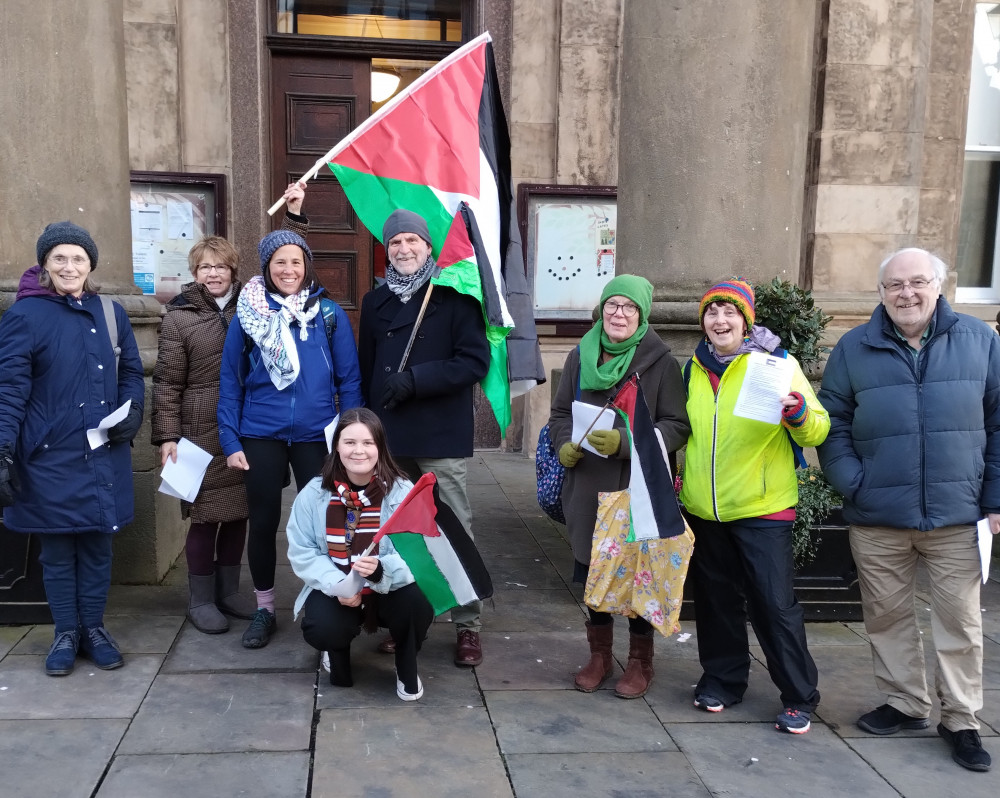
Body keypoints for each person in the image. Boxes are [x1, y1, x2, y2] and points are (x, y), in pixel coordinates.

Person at [818, 248, 998, 772]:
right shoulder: (854, 347)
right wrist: (854, 482)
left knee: (960, 623)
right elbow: (833, 421)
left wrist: (995, 499)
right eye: (895, 285)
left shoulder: (981, 341)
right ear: (881, 293)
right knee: (887, 617)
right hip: (878, 515)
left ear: (940, 286)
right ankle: (905, 702)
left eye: (918, 282)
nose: (906, 294)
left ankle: (961, 719)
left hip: (958, 514)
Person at [151, 184, 309, 634]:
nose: (213, 274)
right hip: (197, 432)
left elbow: (287, 260)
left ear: (235, 271)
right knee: (203, 519)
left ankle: (229, 590)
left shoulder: (254, 304)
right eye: (204, 267)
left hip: (245, 427)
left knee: (241, 514)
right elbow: (166, 383)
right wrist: (165, 437)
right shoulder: (180, 316)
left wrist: (294, 215)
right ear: (194, 273)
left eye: (221, 266)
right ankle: (201, 599)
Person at [680, 278, 828, 734]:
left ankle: (799, 695)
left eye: (730, 312)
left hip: (763, 506)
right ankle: (723, 680)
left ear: (746, 321)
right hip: (706, 508)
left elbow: (818, 428)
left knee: (773, 604)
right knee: (716, 600)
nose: (720, 320)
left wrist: (799, 412)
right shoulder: (692, 368)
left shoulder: (778, 363)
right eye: (712, 312)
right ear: (703, 322)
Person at [0, 221, 145, 675]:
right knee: (59, 553)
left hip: (102, 452)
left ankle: (94, 629)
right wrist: (3, 450)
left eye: (78, 258)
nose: (69, 266)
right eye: (59, 258)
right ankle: (65, 633)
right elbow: (9, 389)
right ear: (44, 264)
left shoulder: (110, 312)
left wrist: (133, 411)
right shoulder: (24, 316)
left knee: (99, 548)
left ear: (90, 265)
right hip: (49, 456)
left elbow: (132, 373)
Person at [218, 221, 363, 650]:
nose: (288, 269)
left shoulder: (329, 315)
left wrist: (349, 436)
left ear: (307, 266)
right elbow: (230, 381)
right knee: (263, 523)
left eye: (295, 261)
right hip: (260, 432)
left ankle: (325, 595)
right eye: (279, 262)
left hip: (316, 436)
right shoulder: (248, 316)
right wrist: (230, 440)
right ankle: (264, 608)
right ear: (267, 267)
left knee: (326, 521)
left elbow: (349, 379)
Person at [547, 274, 690, 699]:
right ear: (602, 310)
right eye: (612, 305)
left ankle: (641, 662)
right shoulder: (579, 355)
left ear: (642, 314)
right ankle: (599, 656)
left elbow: (677, 426)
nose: (619, 314)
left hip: (636, 490)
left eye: (629, 307)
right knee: (594, 575)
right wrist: (562, 446)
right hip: (588, 488)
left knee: (636, 577)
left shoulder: (660, 362)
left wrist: (627, 444)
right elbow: (558, 415)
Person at [358, 209, 490, 667]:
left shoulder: (456, 297)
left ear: (429, 246)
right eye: (395, 242)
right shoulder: (375, 303)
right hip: (389, 437)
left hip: (438, 434)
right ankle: (408, 617)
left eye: (412, 241)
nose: (404, 249)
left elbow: (474, 363)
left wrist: (416, 379)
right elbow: (365, 370)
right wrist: (361, 427)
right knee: (393, 532)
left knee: (451, 527)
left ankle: (468, 625)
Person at [286, 407, 434, 700]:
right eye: (349, 442)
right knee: (322, 628)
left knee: (418, 605)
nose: (359, 451)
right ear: (336, 447)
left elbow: (421, 550)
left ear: (380, 447)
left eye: (368, 443)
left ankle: (407, 669)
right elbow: (302, 550)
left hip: (390, 588)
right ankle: (336, 652)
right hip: (339, 587)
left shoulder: (403, 491)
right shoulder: (314, 493)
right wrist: (335, 585)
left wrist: (383, 570)